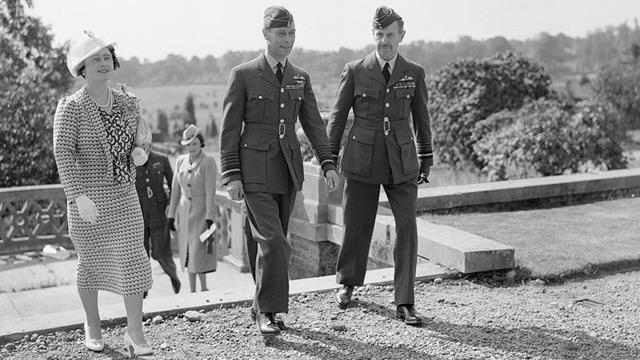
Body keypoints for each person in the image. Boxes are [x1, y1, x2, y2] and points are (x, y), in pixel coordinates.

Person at [219, 6, 340, 336]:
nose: (287, 40)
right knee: (274, 242)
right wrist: (231, 175)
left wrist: (328, 162)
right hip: (253, 170)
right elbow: (229, 129)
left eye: (291, 34)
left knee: (268, 242)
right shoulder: (243, 74)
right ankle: (269, 312)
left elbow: (314, 124)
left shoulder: (299, 77)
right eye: (281, 34)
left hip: (287, 170)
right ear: (266, 35)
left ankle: (260, 305)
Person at [326, 6, 433, 326]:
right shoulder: (356, 69)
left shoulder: (414, 72)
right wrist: (329, 160)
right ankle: (347, 283)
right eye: (379, 35)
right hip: (362, 157)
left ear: (402, 36)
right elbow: (338, 117)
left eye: (390, 35)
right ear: (373, 36)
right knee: (356, 223)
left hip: (402, 160)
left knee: (407, 227)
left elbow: (422, 118)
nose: (385, 41)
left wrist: (425, 158)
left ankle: (405, 301)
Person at [52, 30, 153, 356]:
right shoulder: (71, 108)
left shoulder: (128, 101)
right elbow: (63, 152)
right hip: (88, 202)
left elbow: (141, 137)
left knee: (134, 262)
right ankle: (92, 324)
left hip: (124, 196)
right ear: (81, 66)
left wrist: (140, 151)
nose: (102, 63)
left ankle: (135, 334)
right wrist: (78, 195)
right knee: (90, 266)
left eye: (107, 57)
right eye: (95, 58)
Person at [167, 125, 218, 293]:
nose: (191, 148)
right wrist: (171, 215)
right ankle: (192, 290)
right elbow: (175, 189)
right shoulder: (181, 161)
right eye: (188, 144)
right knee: (187, 252)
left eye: (194, 144)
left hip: (201, 213)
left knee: (199, 251)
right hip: (184, 212)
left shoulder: (208, 161)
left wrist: (210, 215)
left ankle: (203, 287)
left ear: (201, 144)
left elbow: (211, 191)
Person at [135, 150, 181, 295]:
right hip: (138, 213)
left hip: (159, 212)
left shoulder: (161, 159)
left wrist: (170, 206)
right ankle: (143, 288)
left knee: (160, 252)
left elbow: (175, 184)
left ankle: (173, 276)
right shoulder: (131, 160)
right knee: (141, 254)